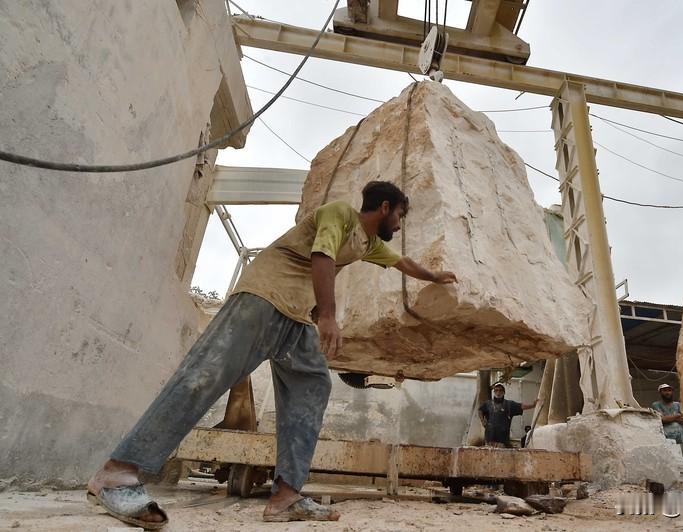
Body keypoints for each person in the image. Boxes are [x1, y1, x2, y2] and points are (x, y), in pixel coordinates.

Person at [86, 181, 457, 528]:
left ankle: (286, 496)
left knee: (312, 387)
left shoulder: (368, 243)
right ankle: (117, 473)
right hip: (262, 299)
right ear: (386, 206)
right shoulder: (340, 213)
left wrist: (436, 276)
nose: (400, 223)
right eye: (400, 215)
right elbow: (322, 254)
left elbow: (402, 263)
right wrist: (327, 315)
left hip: (294, 320)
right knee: (205, 375)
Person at [478, 383, 538, 448]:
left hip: (503, 439)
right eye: (496, 390)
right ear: (494, 392)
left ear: (504, 392)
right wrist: (482, 420)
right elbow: (480, 410)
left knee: (501, 455)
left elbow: (521, 406)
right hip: (490, 438)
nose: (498, 392)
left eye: (500, 390)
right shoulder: (488, 404)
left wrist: (533, 405)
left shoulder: (509, 404)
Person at [651, 383, 683, 459]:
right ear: (660, 392)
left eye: (669, 390)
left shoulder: (678, 405)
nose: (667, 392)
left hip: (682, 436)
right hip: (667, 437)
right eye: (665, 390)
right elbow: (661, 419)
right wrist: (677, 416)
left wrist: (669, 418)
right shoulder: (656, 405)